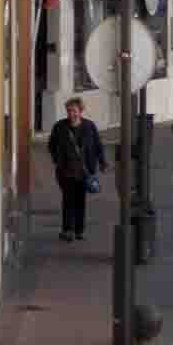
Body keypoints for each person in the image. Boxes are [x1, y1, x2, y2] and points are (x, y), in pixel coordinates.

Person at [47, 97, 107, 241]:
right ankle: (68, 230)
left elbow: (98, 145)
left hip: (84, 172)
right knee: (68, 200)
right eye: (68, 111)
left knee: (80, 200)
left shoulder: (89, 126)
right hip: (66, 171)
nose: (71, 114)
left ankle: (79, 230)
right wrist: (57, 160)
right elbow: (51, 145)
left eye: (74, 111)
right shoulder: (59, 127)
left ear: (80, 111)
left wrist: (102, 162)